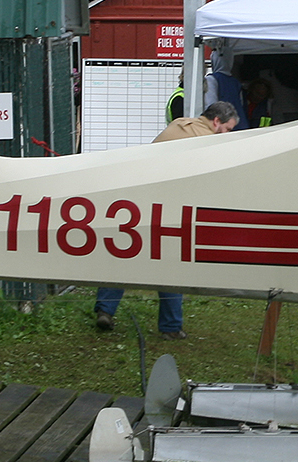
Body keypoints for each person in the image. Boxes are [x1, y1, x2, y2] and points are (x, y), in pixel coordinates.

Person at [95, 102, 239, 337]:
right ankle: (170, 327)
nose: (227, 135)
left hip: (135, 202)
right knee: (171, 265)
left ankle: (105, 309)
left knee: (123, 255)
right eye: (228, 129)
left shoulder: (179, 124)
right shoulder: (208, 143)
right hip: (167, 208)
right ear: (216, 122)